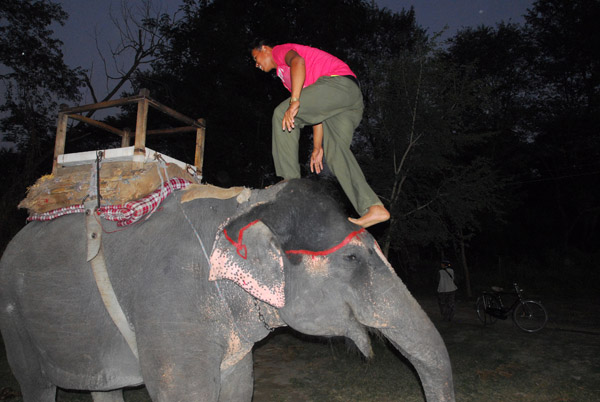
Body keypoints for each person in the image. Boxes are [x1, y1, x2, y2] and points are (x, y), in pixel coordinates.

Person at [251, 42, 390, 228]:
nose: (256, 64)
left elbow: (298, 62)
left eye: (255, 58)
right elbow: (317, 112)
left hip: (336, 82)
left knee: (281, 114)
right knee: (334, 153)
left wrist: (294, 101)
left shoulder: (279, 52)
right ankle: (372, 207)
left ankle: (289, 181)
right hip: (349, 96)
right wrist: (317, 147)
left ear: (265, 48)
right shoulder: (286, 78)